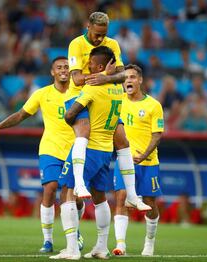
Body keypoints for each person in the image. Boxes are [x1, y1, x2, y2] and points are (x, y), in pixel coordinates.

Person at [0, 57, 84, 253]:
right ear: (52, 72)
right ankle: (47, 241)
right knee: (50, 188)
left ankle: (75, 231)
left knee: (74, 197)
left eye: (66, 67)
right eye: (59, 67)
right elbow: (21, 114)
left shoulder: (80, 91)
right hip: (50, 148)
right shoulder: (42, 94)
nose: (63, 70)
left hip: (75, 149)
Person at [65, 12, 148, 211]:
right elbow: (76, 79)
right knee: (84, 131)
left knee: (122, 140)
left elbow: (122, 74)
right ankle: (78, 183)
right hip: (79, 97)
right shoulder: (76, 44)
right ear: (88, 27)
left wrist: (105, 79)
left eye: (103, 34)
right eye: (96, 34)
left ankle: (132, 195)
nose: (100, 39)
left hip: (105, 96)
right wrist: (103, 74)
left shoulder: (113, 44)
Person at [50, 46, 122, 260]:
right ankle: (101, 247)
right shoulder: (117, 89)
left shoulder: (93, 89)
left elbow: (70, 114)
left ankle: (72, 249)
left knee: (67, 191)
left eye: (90, 63)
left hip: (88, 148)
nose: (86, 66)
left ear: (99, 66)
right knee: (100, 197)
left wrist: (72, 119)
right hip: (106, 149)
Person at [112, 64, 164, 256]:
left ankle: (149, 241)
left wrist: (144, 155)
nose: (128, 81)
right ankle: (120, 245)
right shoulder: (117, 102)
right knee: (121, 198)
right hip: (124, 160)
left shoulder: (153, 105)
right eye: (125, 78)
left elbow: (157, 135)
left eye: (132, 77)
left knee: (149, 202)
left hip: (148, 161)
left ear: (140, 80)